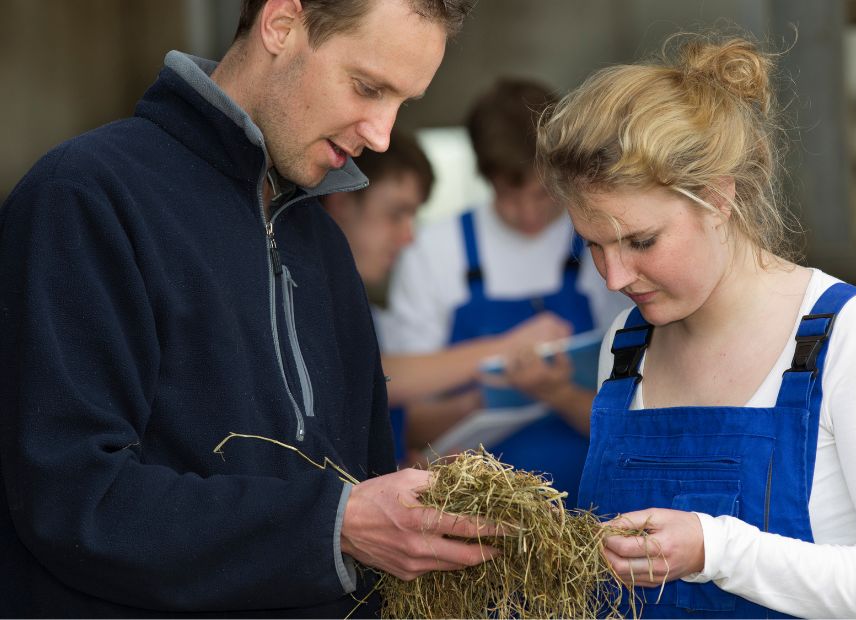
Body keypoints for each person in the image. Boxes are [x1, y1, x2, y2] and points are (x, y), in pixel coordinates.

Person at [0, 0, 500, 616]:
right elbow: (73, 500)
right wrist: (336, 524)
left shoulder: (324, 247)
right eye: (368, 87)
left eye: (403, 103)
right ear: (282, 24)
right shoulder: (85, 196)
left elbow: (364, 491)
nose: (382, 134)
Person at [535, 33, 856, 618]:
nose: (614, 276)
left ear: (716, 198)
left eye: (641, 241)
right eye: (593, 245)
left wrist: (716, 549)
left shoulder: (849, 335)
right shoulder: (625, 348)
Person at [383, 78, 629, 504]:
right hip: (475, 506)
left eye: (543, 194)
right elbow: (404, 419)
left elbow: (638, 413)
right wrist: (488, 395)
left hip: (595, 497)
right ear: (485, 176)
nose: (529, 213)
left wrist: (552, 391)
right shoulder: (432, 249)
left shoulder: (603, 238)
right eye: (510, 195)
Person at [321, 132, 575, 462]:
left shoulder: (363, 314)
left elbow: (384, 420)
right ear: (340, 202)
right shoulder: (308, 305)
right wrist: (508, 348)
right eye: (396, 213)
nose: (409, 237)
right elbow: (375, 374)